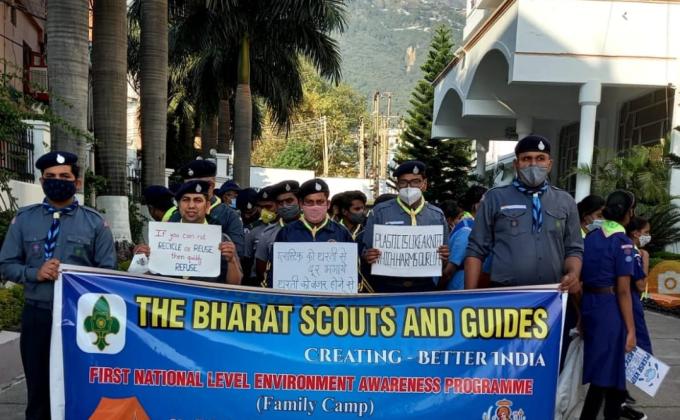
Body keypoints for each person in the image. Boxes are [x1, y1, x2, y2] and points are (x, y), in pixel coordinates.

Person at [0, 151, 116, 420]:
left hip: (79, 320)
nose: (57, 181)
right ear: (42, 182)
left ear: (77, 182)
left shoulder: (95, 223)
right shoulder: (24, 219)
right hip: (38, 316)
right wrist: (34, 273)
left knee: (78, 388)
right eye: (50, 177)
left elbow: (108, 272)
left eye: (65, 177)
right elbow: (6, 264)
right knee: (38, 391)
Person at [464, 135, 582, 292]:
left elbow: (573, 249)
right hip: (507, 295)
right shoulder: (495, 198)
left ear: (549, 164)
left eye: (540, 158)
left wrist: (573, 274)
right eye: (526, 159)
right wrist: (468, 297)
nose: (533, 164)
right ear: (516, 164)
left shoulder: (565, 201)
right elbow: (476, 250)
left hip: (551, 295)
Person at [579, 190, 637, 420]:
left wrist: (581, 316)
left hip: (590, 305)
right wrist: (631, 330)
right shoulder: (623, 243)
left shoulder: (591, 238)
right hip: (609, 309)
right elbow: (623, 290)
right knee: (604, 375)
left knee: (611, 371)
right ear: (628, 213)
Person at [362, 160, 450, 292]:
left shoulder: (437, 215)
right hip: (387, 286)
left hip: (424, 286)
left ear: (424, 184)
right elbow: (365, 252)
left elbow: (444, 260)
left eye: (415, 182)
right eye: (403, 182)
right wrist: (368, 255)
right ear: (397, 185)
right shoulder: (380, 212)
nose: (409, 187)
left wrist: (444, 256)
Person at [134, 180, 242, 285]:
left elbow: (235, 283)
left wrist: (231, 260)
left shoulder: (221, 239)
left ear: (207, 206)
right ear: (178, 205)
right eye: (186, 200)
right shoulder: (161, 237)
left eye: (198, 200)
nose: (191, 206)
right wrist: (140, 258)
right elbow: (143, 280)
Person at [171, 159, 244, 255]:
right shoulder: (177, 215)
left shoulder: (230, 216)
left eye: (196, 186)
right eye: (187, 185)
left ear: (211, 185)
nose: (190, 189)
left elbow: (237, 253)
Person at [621, 217, 650, 420]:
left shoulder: (621, 247)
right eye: (646, 232)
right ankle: (619, 399)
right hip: (630, 304)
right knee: (634, 350)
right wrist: (645, 260)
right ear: (635, 233)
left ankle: (620, 395)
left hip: (623, 304)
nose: (648, 236)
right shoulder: (635, 253)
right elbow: (640, 285)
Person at [254, 180, 302, 286]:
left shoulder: (313, 230)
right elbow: (261, 271)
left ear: (299, 201)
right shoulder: (267, 234)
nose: (285, 206)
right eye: (280, 202)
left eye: (289, 201)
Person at [442, 186, 488, 290]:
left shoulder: (472, 226)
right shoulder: (467, 230)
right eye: (487, 203)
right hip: (459, 289)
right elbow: (449, 270)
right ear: (477, 206)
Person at [240, 187, 272, 286]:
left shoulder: (268, 225)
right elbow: (246, 260)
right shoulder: (238, 223)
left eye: (251, 212)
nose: (247, 216)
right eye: (244, 212)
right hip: (253, 278)